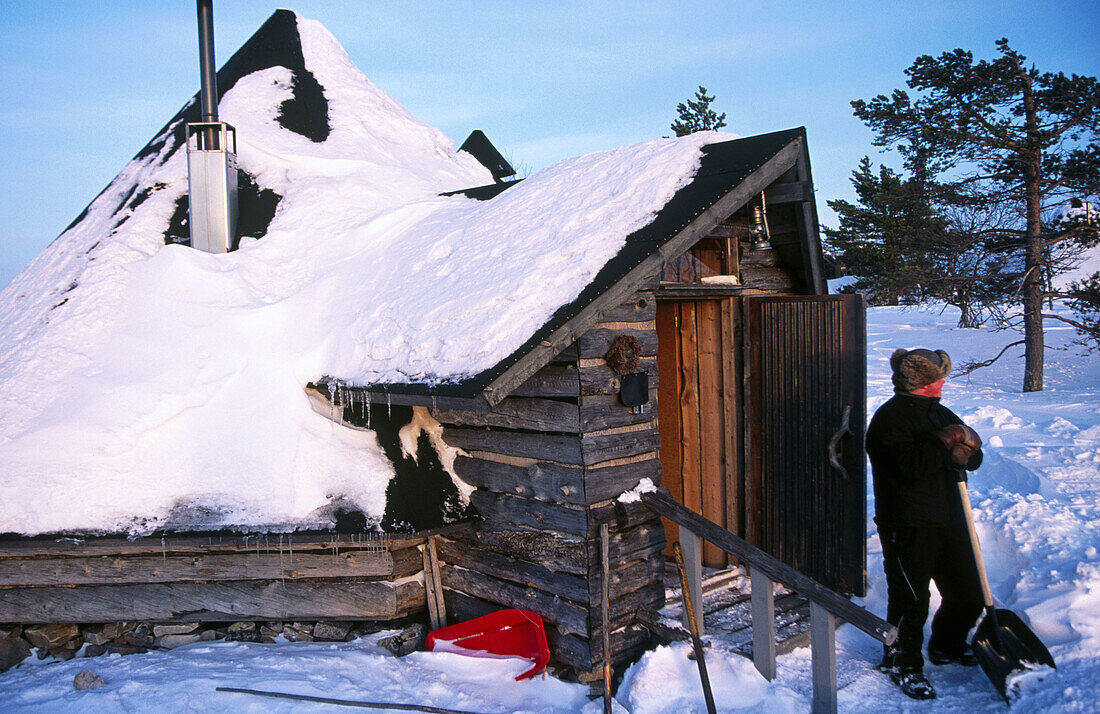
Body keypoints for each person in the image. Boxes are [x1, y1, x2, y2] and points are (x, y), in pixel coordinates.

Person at [865, 348, 985, 701]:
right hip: (908, 522)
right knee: (911, 599)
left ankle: (946, 646)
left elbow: (970, 459)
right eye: (938, 377)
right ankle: (902, 662)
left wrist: (970, 449)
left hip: (950, 517)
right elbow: (911, 467)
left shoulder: (941, 413)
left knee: (968, 593)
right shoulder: (889, 420)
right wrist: (944, 439)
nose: (944, 382)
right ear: (924, 382)